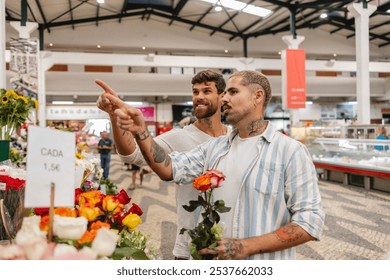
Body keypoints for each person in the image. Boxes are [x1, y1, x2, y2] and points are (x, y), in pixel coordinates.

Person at [105, 70, 325, 260]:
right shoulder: (215, 148)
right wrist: (141, 131)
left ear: (258, 96)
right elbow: (168, 168)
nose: (225, 99)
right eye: (225, 92)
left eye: (233, 92)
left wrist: (244, 246)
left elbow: (310, 221)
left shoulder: (290, 151)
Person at [95, 70, 229, 260]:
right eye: (195, 92)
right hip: (189, 248)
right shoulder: (179, 136)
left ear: (222, 96)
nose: (199, 97)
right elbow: (131, 155)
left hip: (229, 246)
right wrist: (114, 118)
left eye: (207, 91)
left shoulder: (233, 137)